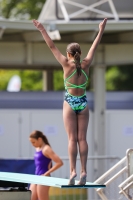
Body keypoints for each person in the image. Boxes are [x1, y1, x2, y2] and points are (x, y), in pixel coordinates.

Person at [33, 18, 107, 185]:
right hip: (83, 102)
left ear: (68, 54)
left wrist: (42, 29)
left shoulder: (66, 63)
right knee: (82, 139)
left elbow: (52, 46)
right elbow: (95, 46)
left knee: (72, 139)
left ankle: (72, 171)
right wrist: (101, 29)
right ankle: (84, 171)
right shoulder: (86, 63)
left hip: (70, 102)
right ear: (79, 53)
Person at [29, 130, 63, 200]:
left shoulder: (46, 149)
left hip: (44, 177)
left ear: (39, 139)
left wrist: (47, 173)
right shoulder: (38, 148)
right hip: (36, 176)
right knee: (31, 197)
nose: (33, 144)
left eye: (33, 142)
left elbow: (59, 162)